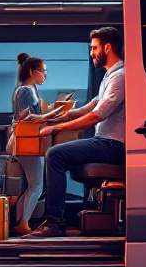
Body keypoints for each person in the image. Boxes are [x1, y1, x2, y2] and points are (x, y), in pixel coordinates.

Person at [21, 27, 125, 239]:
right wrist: (47, 118)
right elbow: (86, 108)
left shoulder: (120, 77)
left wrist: (56, 128)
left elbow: (96, 115)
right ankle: (57, 221)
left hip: (113, 145)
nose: (92, 53)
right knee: (60, 154)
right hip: (103, 142)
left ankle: (54, 224)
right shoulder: (109, 76)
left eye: (94, 48)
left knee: (55, 154)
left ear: (107, 47)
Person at [10, 54, 65, 235]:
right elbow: (27, 118)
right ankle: (23, 223)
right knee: (37, 185)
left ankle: (20, 221)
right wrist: (54, 113)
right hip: (27, 142)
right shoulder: (26, 91)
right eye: (44, 72)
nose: (45, 76)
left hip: (23, 141)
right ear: (33, 72)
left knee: (32, 185)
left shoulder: (26, 89)